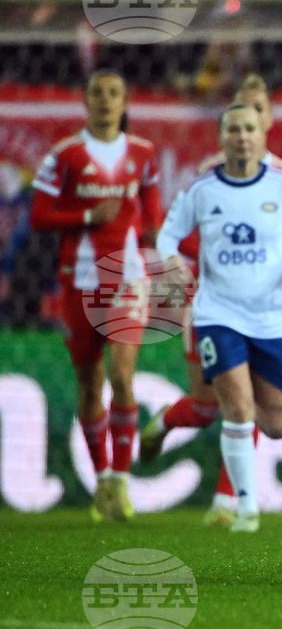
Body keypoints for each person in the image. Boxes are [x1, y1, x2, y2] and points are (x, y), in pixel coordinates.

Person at [139, 73, 282, 528]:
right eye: (239, 114)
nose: (246, 127)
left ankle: (227, 503)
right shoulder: (207, 177)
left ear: (267, 120)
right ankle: (164, 423)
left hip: (265, 312)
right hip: (213, 305)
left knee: (247, 404)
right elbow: (180, 236)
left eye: (258, 111)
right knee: (208, 406)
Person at [29, 69, 163, 522]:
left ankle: (121, 482)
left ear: (126, 103)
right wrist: (87, 215)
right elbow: (40, 216)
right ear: (85, 102)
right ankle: (102, 477)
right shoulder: (64, 155)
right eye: (97, 93)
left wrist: (159, 257)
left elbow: (153, 210)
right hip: (79, 279)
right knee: (90, 384)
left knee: (123, 378)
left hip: (127, 277)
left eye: (113, 94)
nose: (105, 101)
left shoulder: (143, 154)